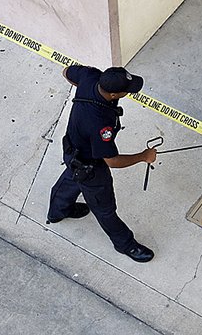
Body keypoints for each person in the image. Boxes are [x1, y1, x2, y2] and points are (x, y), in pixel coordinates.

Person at [47, 65, 157, 262]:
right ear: (114, 94)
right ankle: (126, 245)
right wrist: (143, 156)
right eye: (127, 90)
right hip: (90, 167)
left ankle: (57, 211)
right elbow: (112, 161)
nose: (129, 92)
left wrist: (81, 86)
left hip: (72, 150)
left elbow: (66, 71)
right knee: (104, 208)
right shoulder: (99, 124)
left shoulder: (91, 76)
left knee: (72, 178)